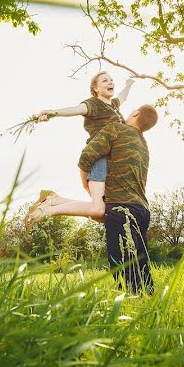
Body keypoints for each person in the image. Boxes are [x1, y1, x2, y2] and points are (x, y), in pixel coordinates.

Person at [26, 71, 135, 223]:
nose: (110, 83)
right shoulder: (93, 104)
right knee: (99, 210)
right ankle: (49, 209)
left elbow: (123, 96)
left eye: (111, 80)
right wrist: (53, 113)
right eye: (105, 81)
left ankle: (55, 200)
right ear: (95, 88)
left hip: (114, 163)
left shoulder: (114, 105)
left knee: (105, 213)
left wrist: (129, 84)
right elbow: (76, 109)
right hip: (100, 157)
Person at [78, 103, 158, 293]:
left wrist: (86, 185)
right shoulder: (143, 144)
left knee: (123, 270)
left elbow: (86, 156)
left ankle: (129, 310)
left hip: (121, 209)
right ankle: (150, 308)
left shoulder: (117, 129)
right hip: (142, 210)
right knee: (142, 268)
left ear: (135, 113)